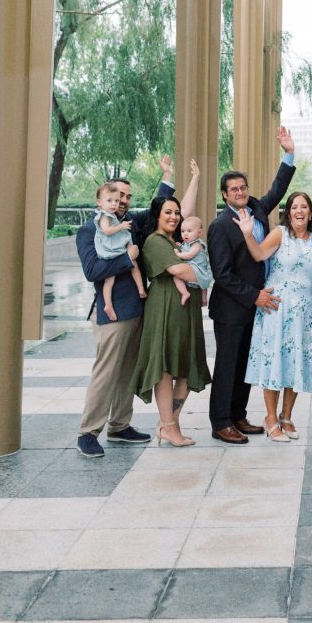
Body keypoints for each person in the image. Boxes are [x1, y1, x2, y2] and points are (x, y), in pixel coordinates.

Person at [75, 155, 196, 458]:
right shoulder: (90, 231)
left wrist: (168, 176)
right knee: (106, 372)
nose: (123, 201)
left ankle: (119, 425)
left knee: (128, 371)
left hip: (140, 310)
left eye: (127, 197)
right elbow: (92, 270)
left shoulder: (130, 225)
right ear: (103, 199)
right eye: (116, 197)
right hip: (112, 312)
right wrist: (127, 258)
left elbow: (161, 207)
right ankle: (88, 432)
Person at [207, 126, 296, 444]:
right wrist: (254, 295)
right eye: (234, 189)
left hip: (256, 306)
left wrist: (288, 154)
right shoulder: (219, 227)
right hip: (232, 307)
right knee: (228, 364)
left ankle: (238, 415)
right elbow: (223, 274)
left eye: (243, 187)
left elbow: (277, 190)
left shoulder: (257, 208)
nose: (240, 192)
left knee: (247, 363)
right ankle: (220, 422)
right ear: (225, 194)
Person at [234, 191, 312, 442]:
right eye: (295, 207)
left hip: (305, 312)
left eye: (304, 207)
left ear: (310, 213)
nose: (299, 211)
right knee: (275, 361)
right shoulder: (280, 233)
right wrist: (247, 232)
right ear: (288, 212)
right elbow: (259, 255)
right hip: (277, 309)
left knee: (296, 363)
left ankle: (286, 416)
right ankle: (270, 418)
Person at [130, 191, 211, 446]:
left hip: (186, 310)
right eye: (168, 212)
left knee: (187, 366)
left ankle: (170, 423)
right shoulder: (155, 241)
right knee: (164, 366)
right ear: (157, 215)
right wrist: (204, 276)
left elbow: (188, 269)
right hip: (164, 306)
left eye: (177, 212)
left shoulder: (180, 242)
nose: (174, 216)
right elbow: (178, 270)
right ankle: (168, 425)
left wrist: (196, 181)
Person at [93, 182, 147, 321]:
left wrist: (166, 176)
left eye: (117, 200)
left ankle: (141, 289)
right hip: (111, 250)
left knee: (134, 264)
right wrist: (122, 227)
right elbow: (107, 231)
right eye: (111, 200)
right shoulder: (103, 218)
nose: (116, 203)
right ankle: (108, 305)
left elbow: (154, 210)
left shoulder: (128, 218)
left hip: (120, 244)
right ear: (100, 202)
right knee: (109, 281)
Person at [174, 216, 213, 307]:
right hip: (195, 267)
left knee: (176, 277)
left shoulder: (197, 244)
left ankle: (185, 293)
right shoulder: (186, 243)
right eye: (183, 231)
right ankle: (203, 299)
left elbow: (189, 255)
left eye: (189, 231)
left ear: (199, 233)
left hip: (198, 268)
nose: (185, 234)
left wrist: (178, 254)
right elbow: (186, 249)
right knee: (202, 285)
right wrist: (181, 246)